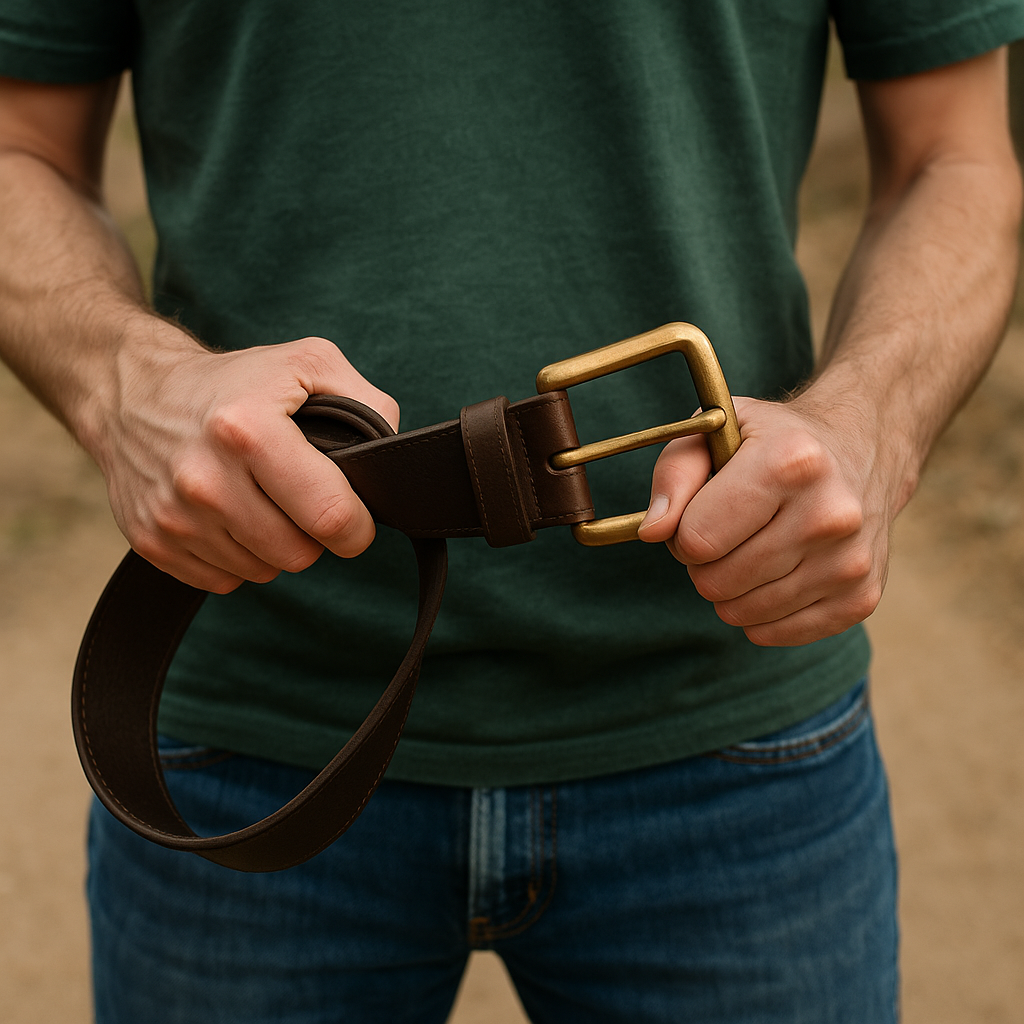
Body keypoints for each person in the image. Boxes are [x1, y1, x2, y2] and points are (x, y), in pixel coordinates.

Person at [0, 3, 1021, 1022]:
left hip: (731, 734)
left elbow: (957, 161)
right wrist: (123, 381)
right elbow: (19, 148)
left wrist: (870, 425)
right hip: (249, 733)